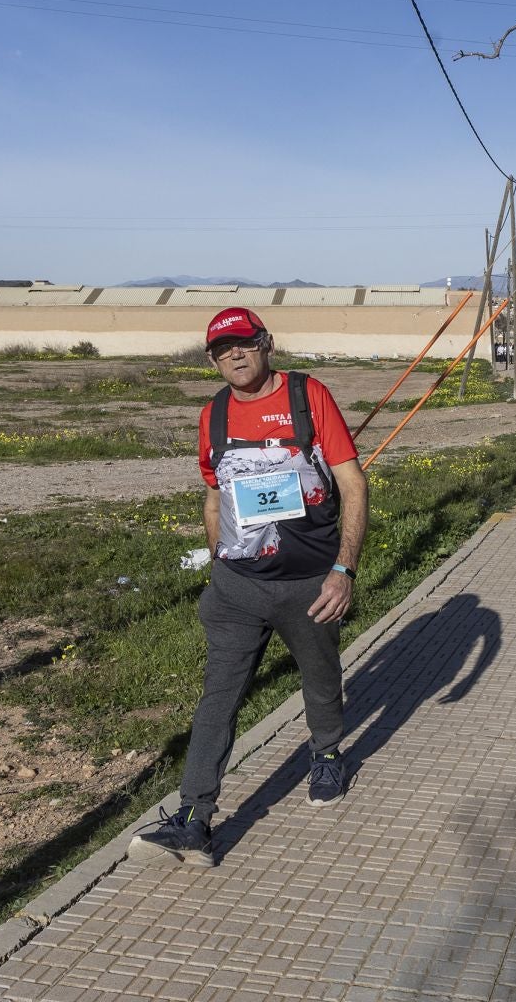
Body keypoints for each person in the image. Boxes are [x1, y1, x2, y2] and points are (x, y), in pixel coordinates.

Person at [129, 307, 369, 868]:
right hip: (237, 588)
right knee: (220, 696)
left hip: (309, 583)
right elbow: (214, 497)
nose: (234, 355)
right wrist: (218, 563)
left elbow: (353, 483)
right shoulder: (212, 415)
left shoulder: (308, 397)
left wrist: (344, 569)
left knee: (320, 675)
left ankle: (327, 752)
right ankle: (194, 818)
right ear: (212, 359)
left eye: (244, 344)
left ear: (266, 344)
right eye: (222, 349)